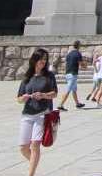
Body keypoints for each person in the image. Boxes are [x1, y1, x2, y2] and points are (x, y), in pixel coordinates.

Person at [15, 48, 59, 176]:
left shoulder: (49, 76)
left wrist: (43, 95)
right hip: (27, 114)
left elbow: (54, 93)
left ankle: (31, 174)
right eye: (41, 59)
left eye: (45, 60)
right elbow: (18, 98)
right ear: (34, 60)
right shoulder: (27, 77)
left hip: (42, 114)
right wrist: (23, 98)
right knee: (23, 148)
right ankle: (34, 165)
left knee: (35, 145)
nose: (43, 62)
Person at [58, 41, 85, 110]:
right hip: (73, 74)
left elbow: (66, 63)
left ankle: (77, 104)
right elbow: (81, 64)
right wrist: (85, 66)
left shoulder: (69, 54)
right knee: (68, 90)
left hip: (68, 73)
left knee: (74, 90)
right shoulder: (78, 53)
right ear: (79, 46)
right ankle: (60, 105)